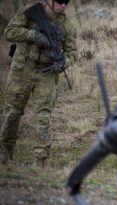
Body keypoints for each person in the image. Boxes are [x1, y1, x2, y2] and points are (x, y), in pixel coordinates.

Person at [0, 0, 77, 167]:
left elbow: (73, 52)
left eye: (67, 2)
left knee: (43, 115)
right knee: (12, 112)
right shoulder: (30, 12)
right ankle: (5, 153)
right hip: (23, 68)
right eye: (60, 1)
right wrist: (33, 35)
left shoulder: (67, 25)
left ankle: (40, 160)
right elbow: (9, 32)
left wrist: (64, 63)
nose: (63, 5)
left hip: (47, 72)